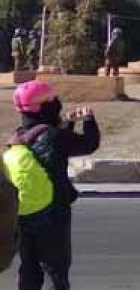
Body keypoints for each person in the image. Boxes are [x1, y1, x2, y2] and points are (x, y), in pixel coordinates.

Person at [8, 80, 101, 290]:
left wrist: (66, 123)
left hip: (23, 213)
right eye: (51, 100)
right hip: (52, 214)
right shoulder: (55, 136)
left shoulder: (17, 137)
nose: (56, 102)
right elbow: (89, 144)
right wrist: (88, 119)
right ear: (42, 106)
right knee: (55, 270)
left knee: (29, 269)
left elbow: (50, 143)